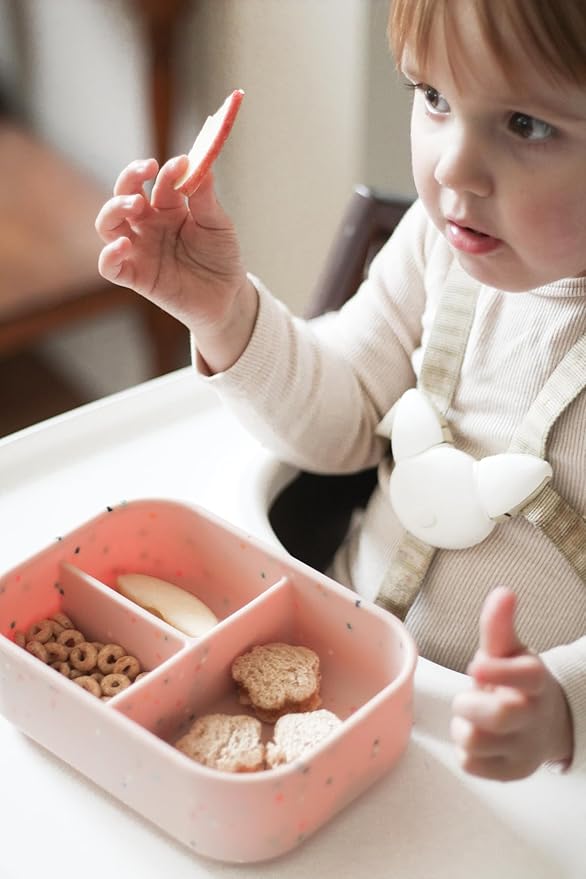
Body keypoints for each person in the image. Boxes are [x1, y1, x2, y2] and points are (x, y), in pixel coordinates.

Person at [95, 0, 586, 782]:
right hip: (337, 669)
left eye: (525, 124)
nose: (453, 166)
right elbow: (343, 417)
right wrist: (225, 314)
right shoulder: (438, 246)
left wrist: (562, 707)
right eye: (434, 98)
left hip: (501, 764)